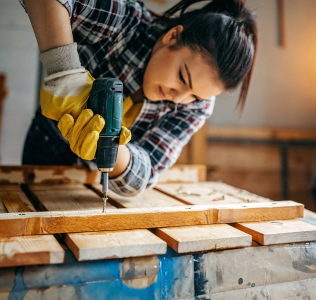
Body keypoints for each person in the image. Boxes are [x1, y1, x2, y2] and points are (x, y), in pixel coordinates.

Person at [20, 0, 257, 196]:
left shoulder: (199, 107)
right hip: (49, 140)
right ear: (173, 36)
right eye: (183, 78)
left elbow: (147, 171)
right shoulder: (127, 21)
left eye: (194, 96)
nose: (178, 99)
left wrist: (111, 147)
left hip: (97, 178)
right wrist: (66, 73)